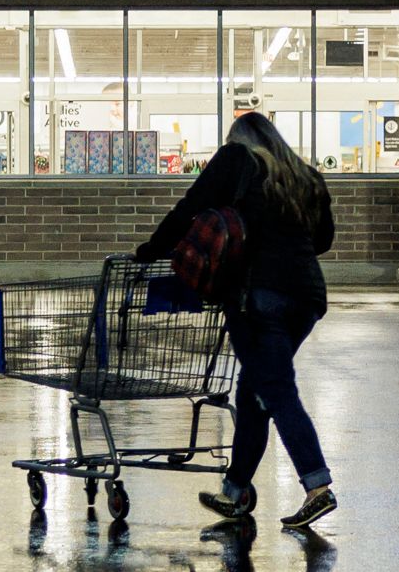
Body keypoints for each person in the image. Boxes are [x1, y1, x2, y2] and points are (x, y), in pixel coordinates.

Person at [138, 109, 338, 530]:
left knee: (276, 389)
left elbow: (191, 207)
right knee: (254, 393)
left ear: (239, 138)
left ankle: (317, 486)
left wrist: (152, 249)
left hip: (257, 297)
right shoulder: (302, 174)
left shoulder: (236, 160)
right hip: (306, 296)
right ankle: (234, 492)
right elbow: (323, 239)